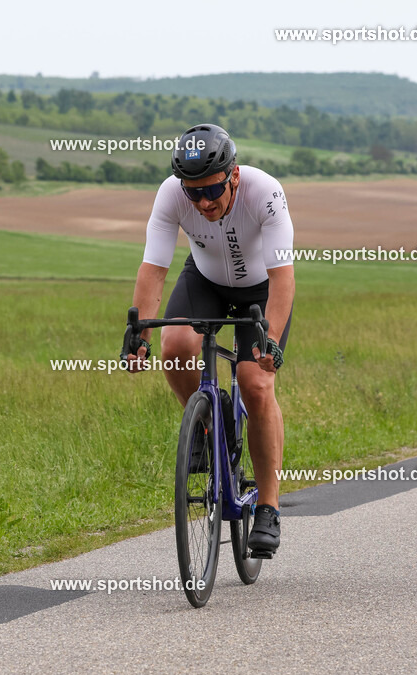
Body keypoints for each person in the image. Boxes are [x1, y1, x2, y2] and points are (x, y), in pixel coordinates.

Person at [126, 123, 294, 556]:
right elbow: (154, 268)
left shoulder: (265, 192)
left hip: (260, 292)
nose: (203, 203)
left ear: (233, 175)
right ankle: (207, 425)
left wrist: (271, 341)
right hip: (205, 281)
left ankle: (269, 507)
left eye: (213, 190)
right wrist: (139, 335)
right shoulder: (171, 194)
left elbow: (282, 277)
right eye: (193, 193)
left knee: (256, 384)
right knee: (175, 348)